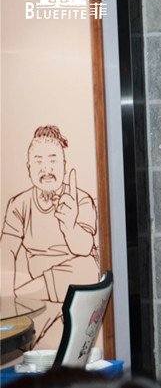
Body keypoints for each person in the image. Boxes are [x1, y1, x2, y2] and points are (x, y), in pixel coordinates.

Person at [1, 125, 99, 347]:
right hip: (41, 297)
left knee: (85, 266)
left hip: (75, 286)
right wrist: (10, 299)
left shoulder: (81, 199)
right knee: (36, 340)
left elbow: (85, 248)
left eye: (53, 160)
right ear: (29, 168)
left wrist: (70, 226)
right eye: (38, 161)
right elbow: (6, 251)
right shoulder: (19, 204)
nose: (46, 168)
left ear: (64, 165)